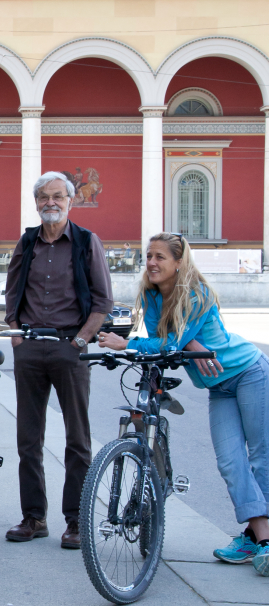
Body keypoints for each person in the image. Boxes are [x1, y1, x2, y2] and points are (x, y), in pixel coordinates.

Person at [99, 233, 269, 577]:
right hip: (218, 387)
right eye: (148, 256)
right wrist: (181, 346)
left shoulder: (197, 293)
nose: (151, 262)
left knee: (259, 455)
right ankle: (258, 536)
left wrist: (129, 343)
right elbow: (166, 345)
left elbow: (168, 342)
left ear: (179, 262)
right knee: (229, 460)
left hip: (248, 371)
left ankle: (259, 537)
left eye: (160, 257)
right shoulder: (150, 295)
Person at [3, 171, 113, 549]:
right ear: (35, 203)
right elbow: (12, 292)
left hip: (71, 347)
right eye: (43, 197)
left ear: (71, 201)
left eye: (57, 197)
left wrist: (82, 341)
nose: (50, 203)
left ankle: (76, 521)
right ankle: (34, 518)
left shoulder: (86, 242)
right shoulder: (27, 242)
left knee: (77, 440)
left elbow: (102, 301)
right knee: (28, 440)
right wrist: (17, 332)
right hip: (31, 347)